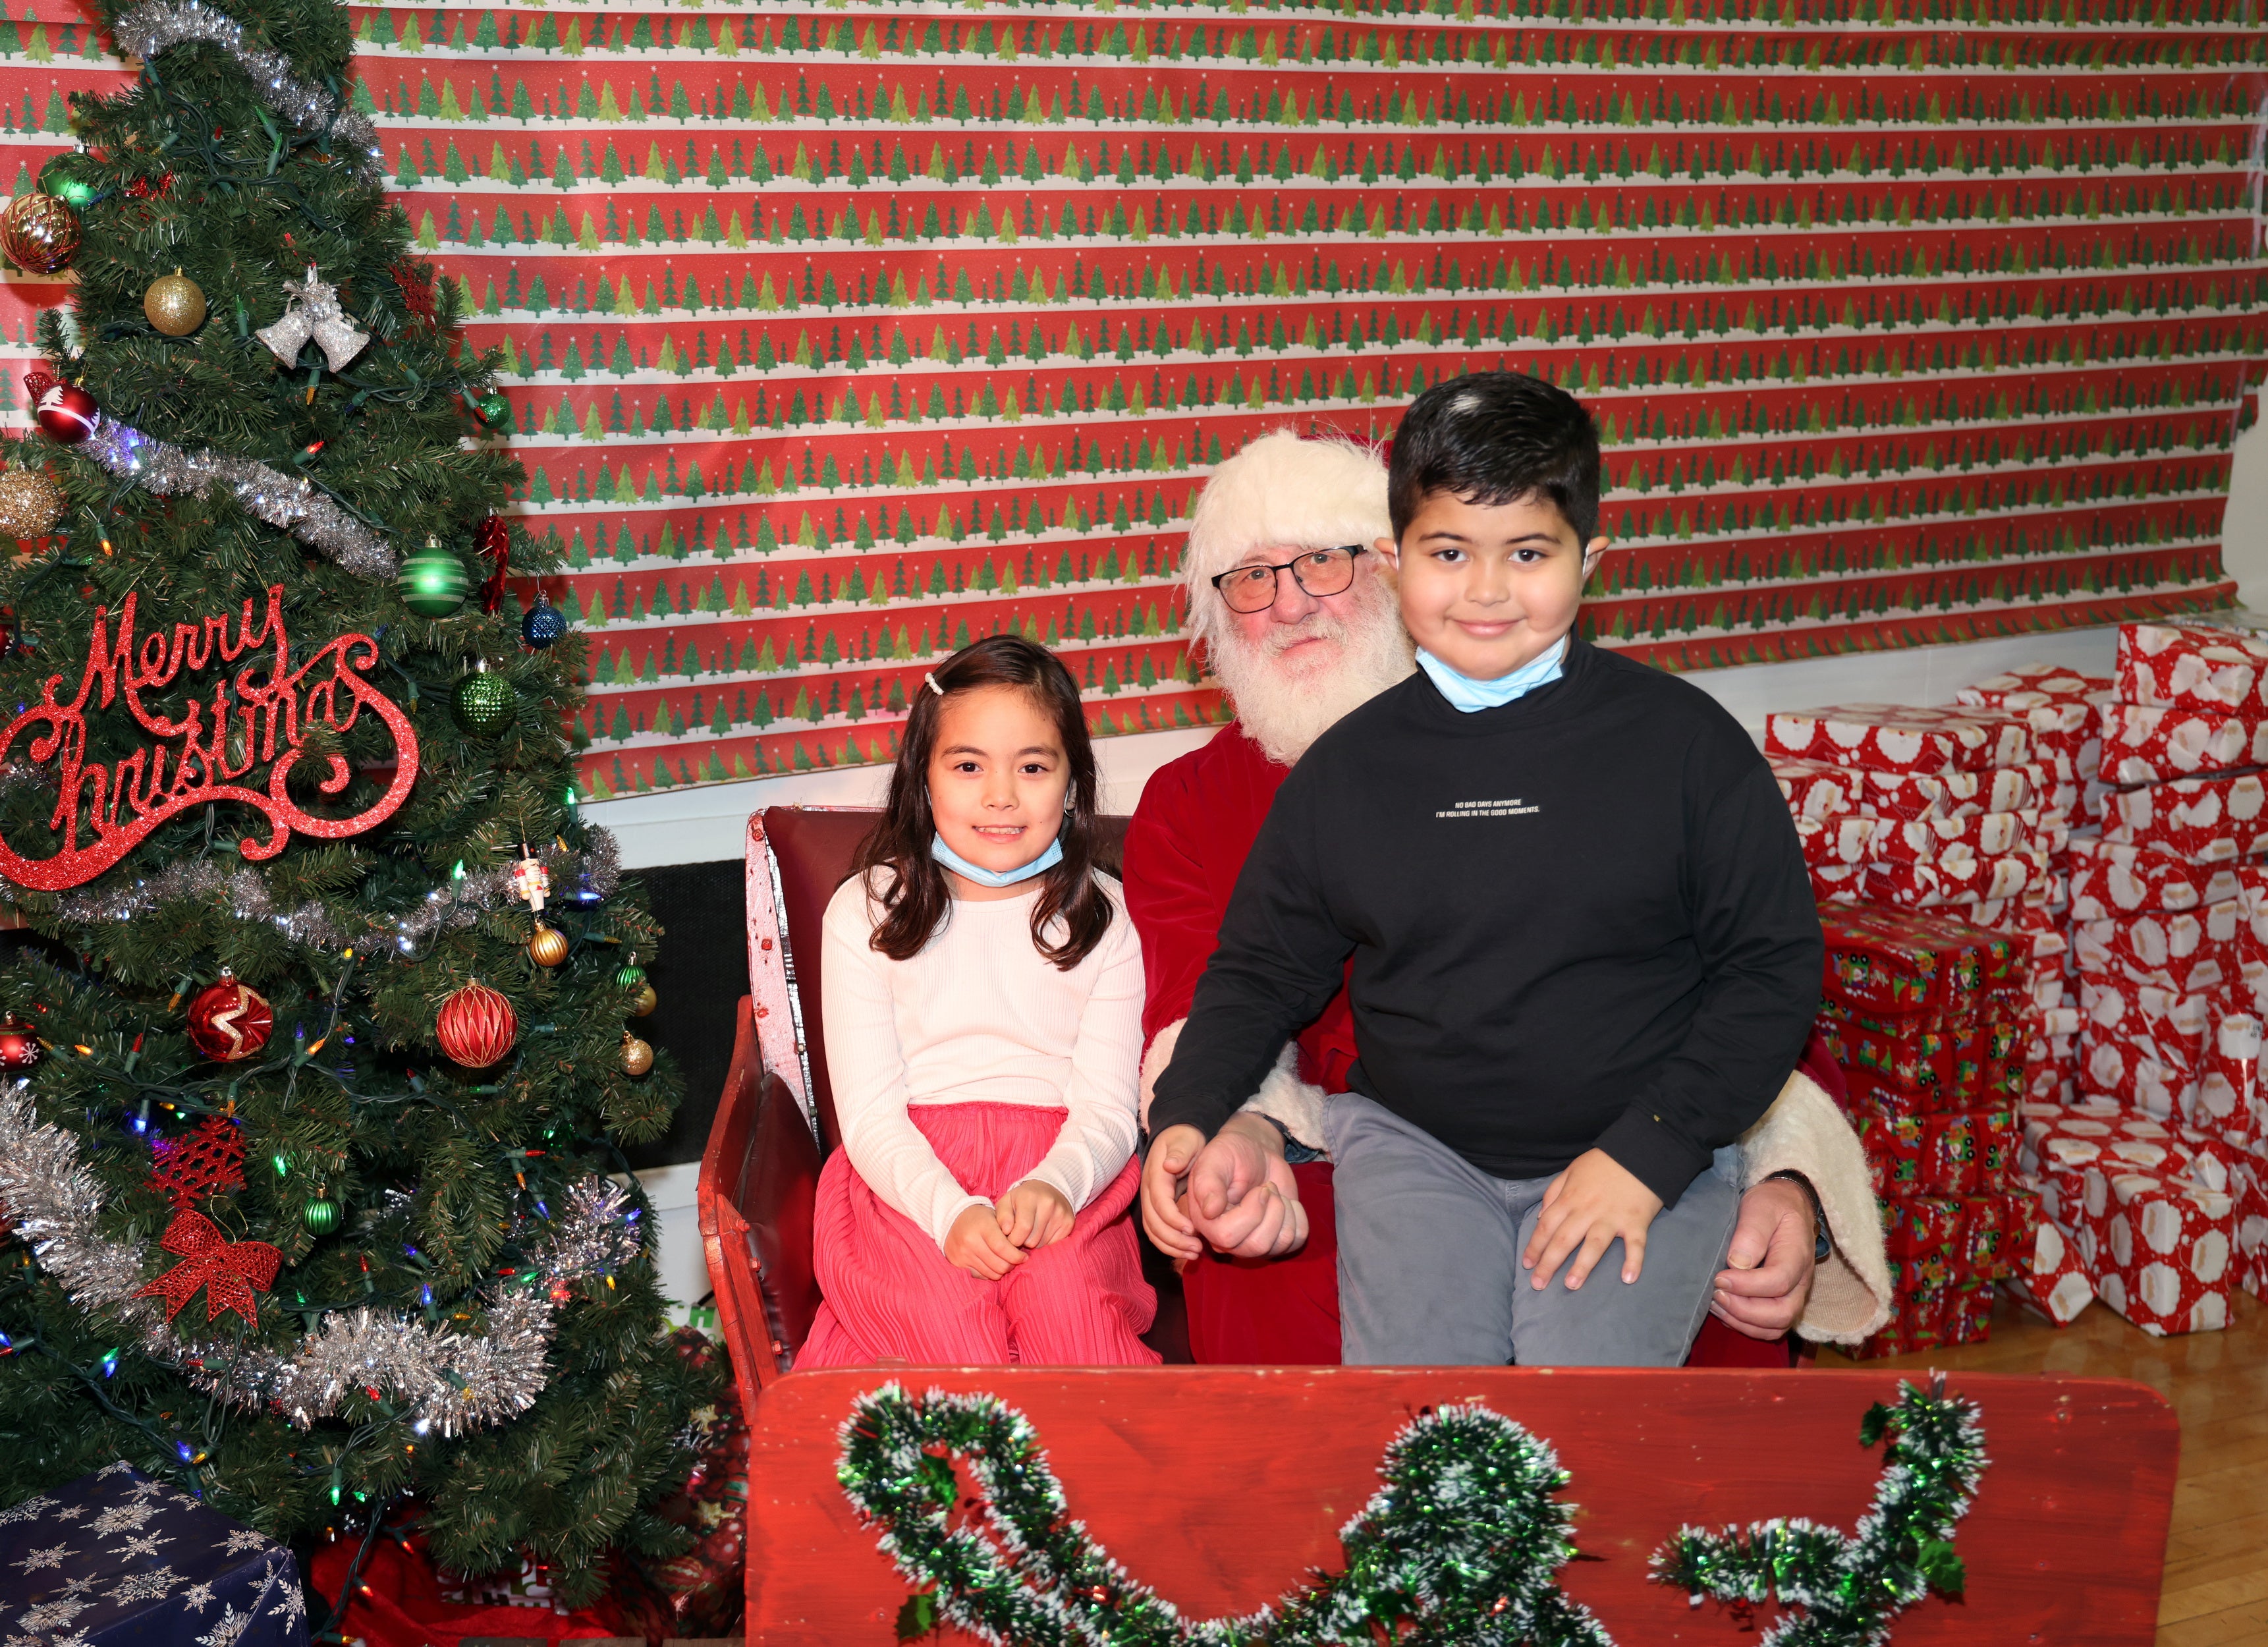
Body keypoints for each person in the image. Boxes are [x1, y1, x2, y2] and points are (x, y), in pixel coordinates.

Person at [1138, 389, 1889, 1366]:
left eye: (1527, 554)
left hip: (1629, 1136)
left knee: (1578, 1396)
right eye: (1450, 554)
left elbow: (1768, 972)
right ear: (1404, 561)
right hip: (1414, 1152)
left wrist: (1659, 1152)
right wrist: (1189, 1111)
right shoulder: (1338, 772)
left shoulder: (1683, 746)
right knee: (1424, 1415)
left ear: (1589, 561)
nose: (1485, 591)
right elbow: (1257, 971)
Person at [798, 635, 1158, 1367]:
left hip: (1065, 1165)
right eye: (968, 766)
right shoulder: (865, 910)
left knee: (1068, 1311)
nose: (1001, 796)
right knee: (945, 1322)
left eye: (1032, 767)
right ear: (923, 779)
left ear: (1072, 781)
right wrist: (948, 1211)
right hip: (908, 1174)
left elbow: (1108, 1107)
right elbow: (869, 1115)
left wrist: (1057, 1184)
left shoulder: (1109, 917)